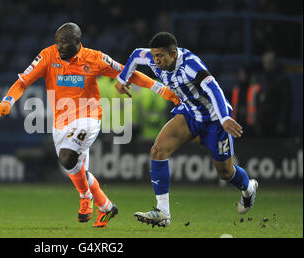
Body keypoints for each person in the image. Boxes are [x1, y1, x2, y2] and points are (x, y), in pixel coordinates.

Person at [0, 23, 181, 228]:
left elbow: (128, 73)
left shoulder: (95, 58)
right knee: (75, 168)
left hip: (88, 118)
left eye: (64, 42)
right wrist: (7, 102)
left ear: (78, 42)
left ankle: (85, 198)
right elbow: (22, 81)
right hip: (60, 123)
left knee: (67, 157)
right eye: (57, 42)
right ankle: (106, 207)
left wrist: (162, 90)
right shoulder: (47, 55)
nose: (60, 46)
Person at [114, 32, 258, 227]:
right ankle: (163, 212)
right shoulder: (152, 59)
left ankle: (248, 189)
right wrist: (123, 81)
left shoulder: (191, 66)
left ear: (173, 54)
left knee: (225, 172)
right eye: (154, 56)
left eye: (161, 56)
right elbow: (135, 55)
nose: (156, 61)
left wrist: (224, 118)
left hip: (214, 118)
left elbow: (214, 88)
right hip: (190, 113)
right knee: (158, 150)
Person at [255, 50, 293, 137]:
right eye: (264, 62)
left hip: (277, 123)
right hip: (264, 122)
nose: (265, 64)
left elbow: (286, 101)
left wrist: (282, 121)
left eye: (268, 62)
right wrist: (258, 120)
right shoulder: (263, 77)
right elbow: (259, 99)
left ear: (274, 63)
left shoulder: (282, 78)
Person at [230, 65, 260, 137]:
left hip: (251, 125)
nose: (241, 75)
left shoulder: (255, 88)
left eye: (243, 73)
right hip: (237, 124)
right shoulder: (236, 89)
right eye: (240, 74)